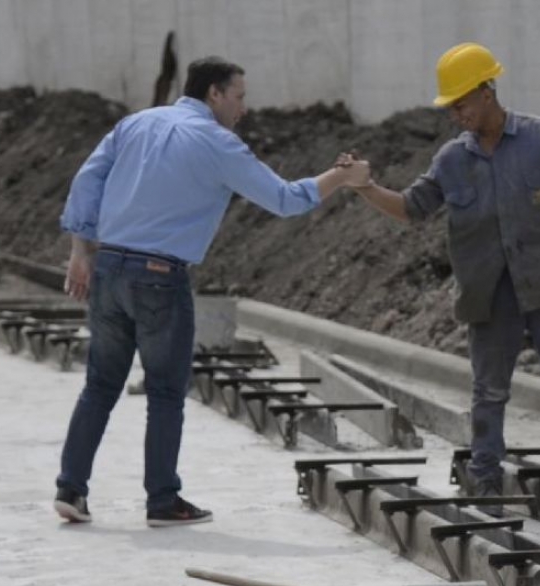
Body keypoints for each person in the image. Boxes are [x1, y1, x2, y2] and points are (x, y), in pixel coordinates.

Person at [54, 56, 370, 527]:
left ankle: (70, 490)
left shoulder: (136, 123)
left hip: (109, 269)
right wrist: (341, 178)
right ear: (215, 94)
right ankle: (162, 500)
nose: (243, 108)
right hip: (159, 276)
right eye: (239, 96)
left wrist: (81, 250)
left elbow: (88, 180)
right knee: (165, 391)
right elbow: (284, 199)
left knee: (100, 385)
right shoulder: (217, 143)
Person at [342, 43, 540, 515]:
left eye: (461, 102)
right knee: (489, 392)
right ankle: (486, 485)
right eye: (451, 106)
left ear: (487, 90)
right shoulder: (452, 160)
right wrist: (364, 187)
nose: (456, 113)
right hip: (489, 296)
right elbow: (411, 209)